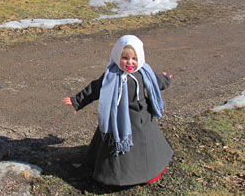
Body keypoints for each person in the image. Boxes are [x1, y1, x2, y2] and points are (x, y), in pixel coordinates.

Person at [63, 35, 173, 186]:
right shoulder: (111, 75)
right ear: (117, 56)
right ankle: (115, 175)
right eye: (125, 57)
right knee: (113, 145)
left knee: (145, 146)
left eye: (134, 58)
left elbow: (156, 81)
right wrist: (77, 101)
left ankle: (148, 172)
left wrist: (166, 79)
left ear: (140, 58)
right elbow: (95, 88)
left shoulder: (143, 72)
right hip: (118, 118)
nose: (130, 62)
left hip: (143, 118)